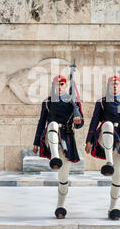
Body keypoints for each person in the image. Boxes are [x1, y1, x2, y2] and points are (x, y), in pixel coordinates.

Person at [85, 76, 120, 220]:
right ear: (108, 87)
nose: (115, 87)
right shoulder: (102, 103)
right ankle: (108, 163)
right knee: (108, 124)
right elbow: (94, 122)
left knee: (118, 177)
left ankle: (113, 208)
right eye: (112, 84)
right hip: (105, 137)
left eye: (117, 84)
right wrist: (89, 141)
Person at [33, 75, 84, 219]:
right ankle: (54, 157)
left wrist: (78, 121)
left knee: (63, 178)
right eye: (57, 84)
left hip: (67, 137)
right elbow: (41, 122)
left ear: (66, 85)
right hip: (51, 137)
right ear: (54, 86)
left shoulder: (72, 102)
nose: (60, 86)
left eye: (62, 84)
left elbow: (81, 123)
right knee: (53, 124)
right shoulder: (48, 102)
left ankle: (60, 206)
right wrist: (36, 142)